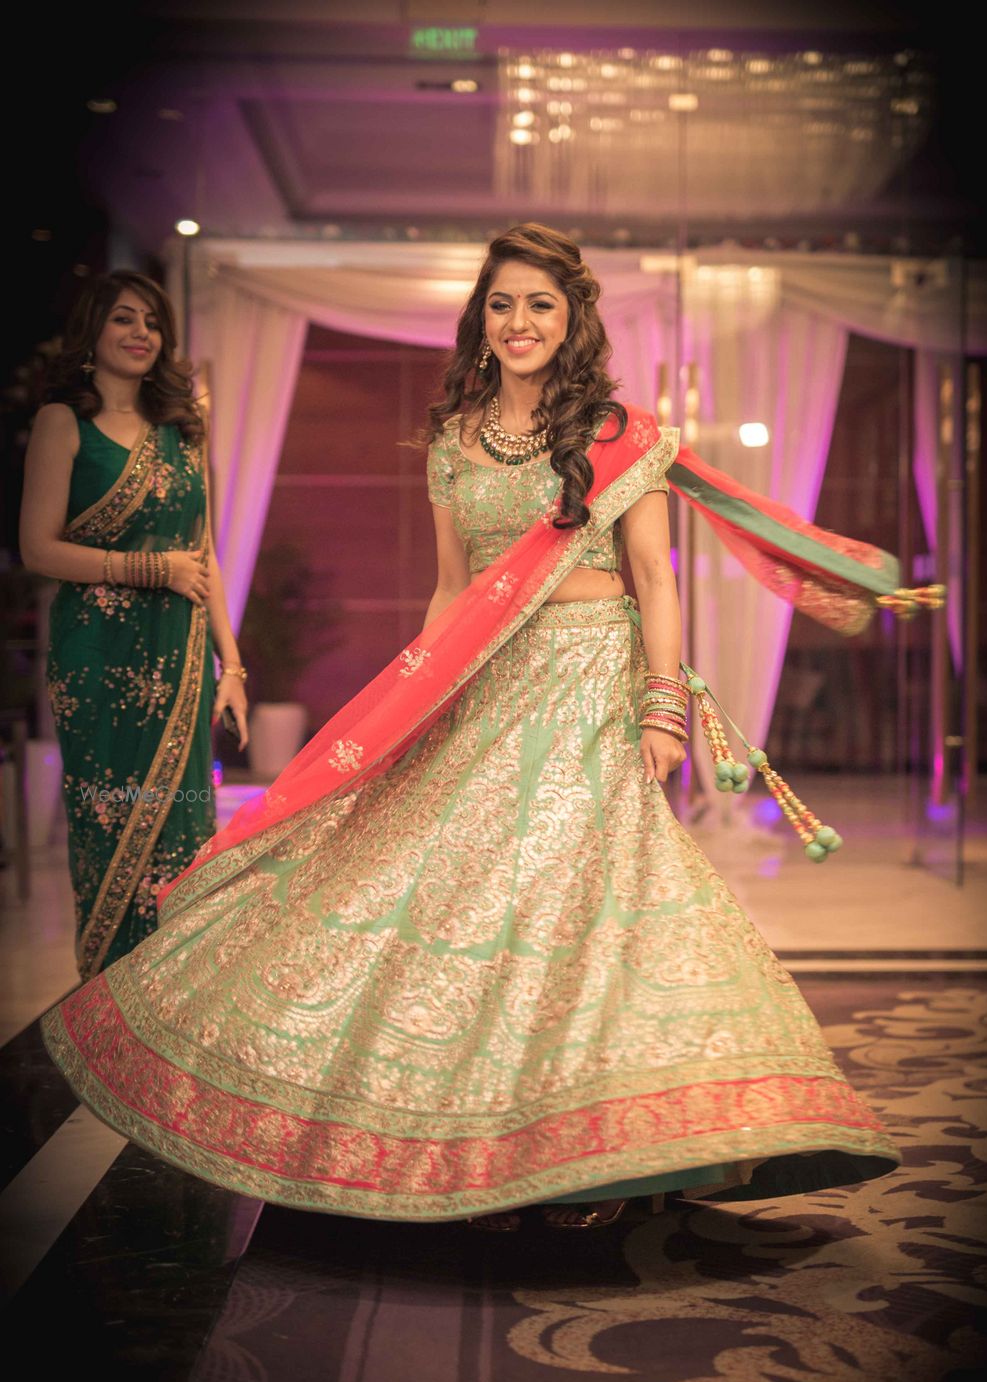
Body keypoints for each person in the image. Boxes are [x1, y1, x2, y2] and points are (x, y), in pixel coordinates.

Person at [40, 227, 906, 1231]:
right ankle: (483, 1147)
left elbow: (657, 577)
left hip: (589, 678)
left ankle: (613, 1143)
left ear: (573, 317)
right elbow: (452, 590)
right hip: (485, 686)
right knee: (452, 895)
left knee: (581, 894)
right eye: (502, 304)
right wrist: (415, 703)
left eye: (541, 303)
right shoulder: (454, 437)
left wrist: (660, 705)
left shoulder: (619, 428)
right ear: (480, 319)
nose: (520, 322)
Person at [19, 271, 249, 979]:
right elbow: (38, 549)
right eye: (124, 319)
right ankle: (109, 997)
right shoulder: (63, 424)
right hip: (97, 655)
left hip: (176, 659)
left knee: (182, 827)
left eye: (152, 322)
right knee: (109, 825)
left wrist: (232, 667)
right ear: (92, 332)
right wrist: (148, 571)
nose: (142, 333)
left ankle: (170, 995)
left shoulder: (182, 430)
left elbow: (201, 555)